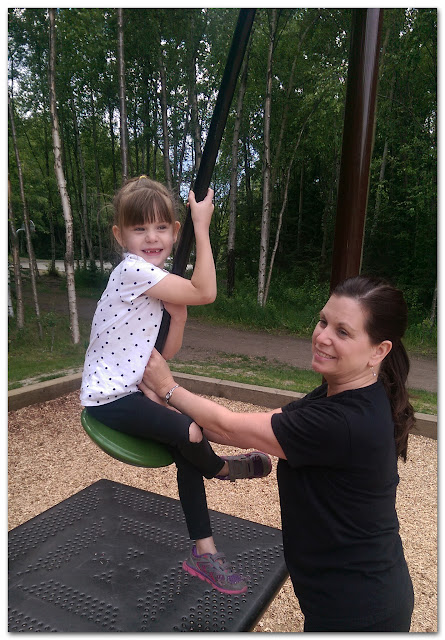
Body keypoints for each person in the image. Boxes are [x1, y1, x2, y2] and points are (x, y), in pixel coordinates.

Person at [139, 274, 415, 632]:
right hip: (356, 594)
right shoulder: (342, 393)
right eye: (323, 321)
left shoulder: (344, 422)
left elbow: (229, 427)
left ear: (379, 351)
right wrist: (165, 410)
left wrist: (167, 386)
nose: (322, 336)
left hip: (358, 610)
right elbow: (242, 429)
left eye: (343, 332)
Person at [80, 175, 272, 595]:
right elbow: (206, 291)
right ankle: (221, 468)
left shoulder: (154, 276)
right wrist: (202, 225)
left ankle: (204, 552)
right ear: (120, 235)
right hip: (109, 397)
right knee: (190, 432)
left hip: (134, 388)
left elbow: (163, 354)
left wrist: (179, 317)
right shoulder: (133, 270)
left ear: (173, 231)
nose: (152, 237)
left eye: (161, 227)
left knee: (188, 444)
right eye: (139, 228)